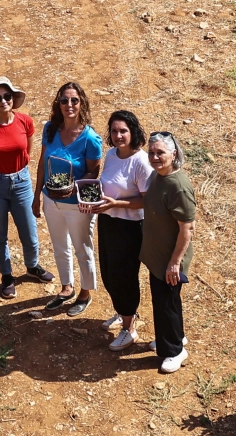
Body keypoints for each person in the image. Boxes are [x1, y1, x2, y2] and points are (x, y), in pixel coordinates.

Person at [0, 76, 56, 299]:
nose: (3, 101)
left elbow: (27, 152)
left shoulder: (25, 121)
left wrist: (17, 170)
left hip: (21, 182)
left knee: (29, 230)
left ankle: (32, 266)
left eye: (7, 96)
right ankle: (7, 276)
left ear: (13, 98)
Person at [81, 110, 153, 350]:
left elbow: (146, 200)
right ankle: (124, 313)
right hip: (108, 221)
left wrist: (117, 204)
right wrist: (90, 201)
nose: (119, 135)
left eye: (123, 130)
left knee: (125, 276)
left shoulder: (141, 162)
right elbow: (106, 186)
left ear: (133, 132)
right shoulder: (111, 155)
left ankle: (129, 328)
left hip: (131, 226)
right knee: (109, 272)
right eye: (114, 131)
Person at [33, 81, 102, 316]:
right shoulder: (50, 129)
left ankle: (85, 293)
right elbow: (43, 163)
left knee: (82, 248)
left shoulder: (90, 138)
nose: (69, 105)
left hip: (77, 205)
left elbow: (95, 171)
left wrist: (76, 190)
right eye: (64, 100)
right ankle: (66, 287)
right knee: (60, 245)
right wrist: (36, 196)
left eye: (74, 100)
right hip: (51, 199)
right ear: (58, 104)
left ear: (81, 103)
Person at [142, 131, 196, 374]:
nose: (154, 157)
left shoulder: (179, 187)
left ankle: (174, 350)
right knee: (166, 301)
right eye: (151, 152)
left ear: (173, 154)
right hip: (158, 255)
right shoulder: (158, 175)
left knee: (166, 304)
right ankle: (173, 337)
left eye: (160, 153)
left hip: (169, 259)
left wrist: (175, 263)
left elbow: (187, 229)